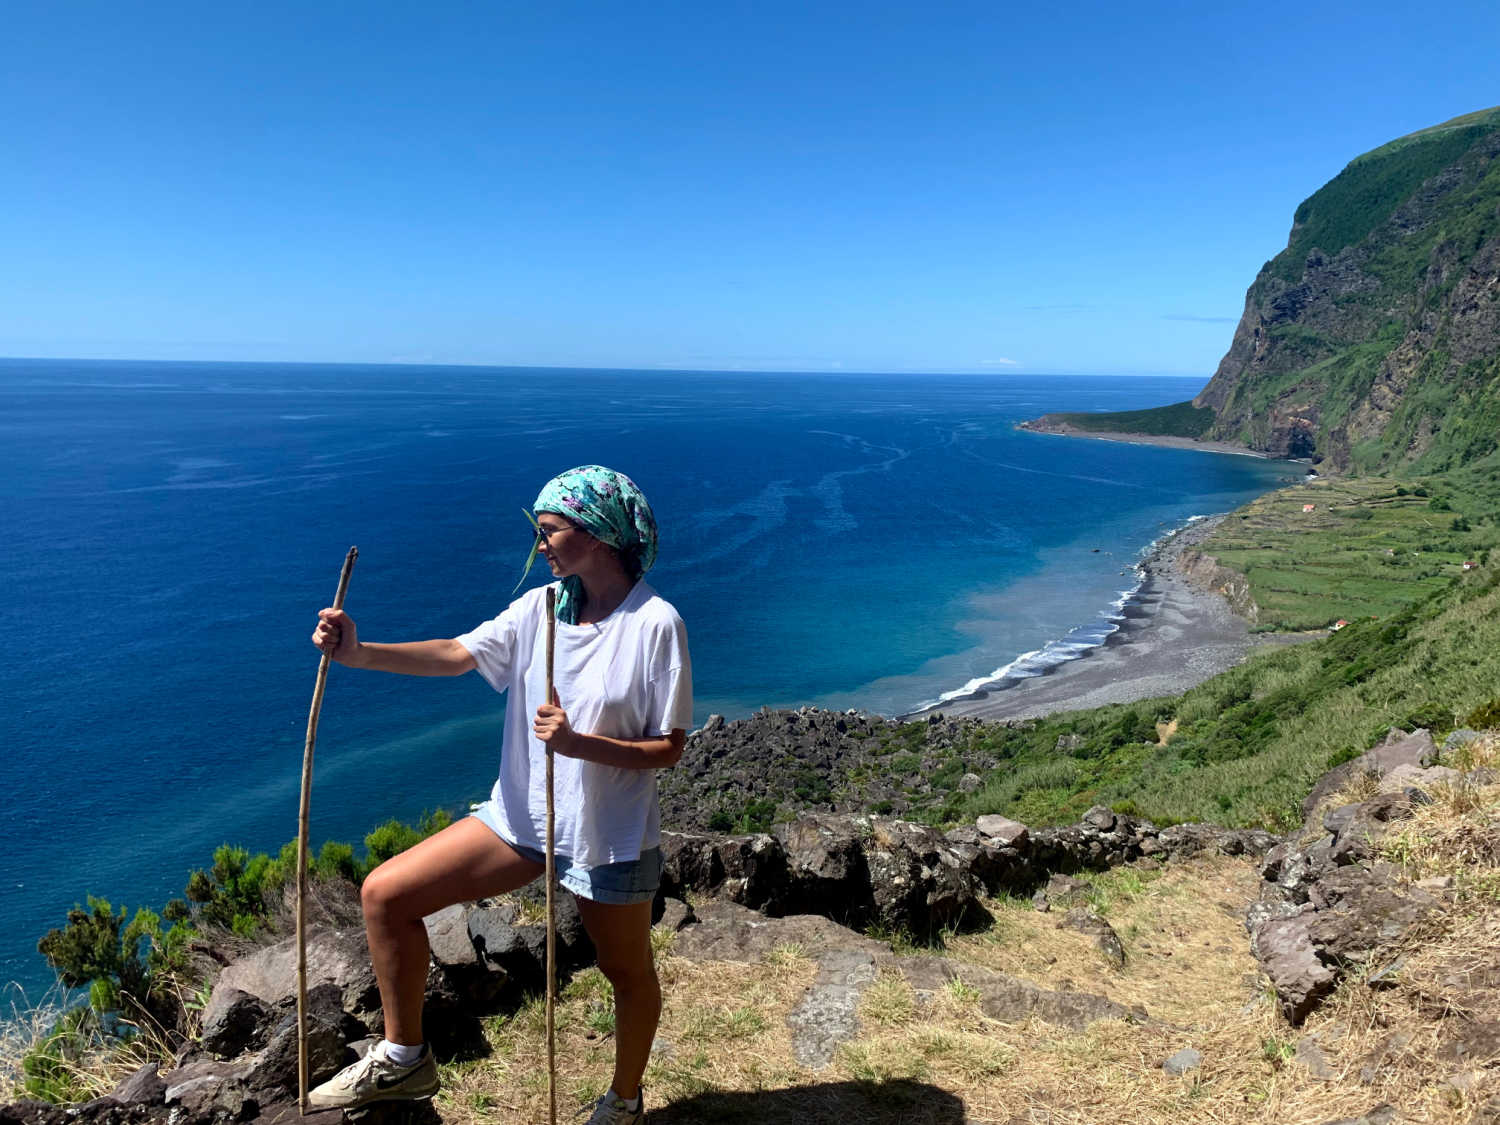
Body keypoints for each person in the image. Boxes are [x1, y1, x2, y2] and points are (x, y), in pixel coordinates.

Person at [306, 466, 691, 1125]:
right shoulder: (540, 609)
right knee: (384, 894)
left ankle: (624, 1099)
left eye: (549, 530)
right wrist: (359, 652)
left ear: (597, 534)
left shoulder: (655, 623)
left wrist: (580, 745)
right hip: (521, 818)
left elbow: (670, 745)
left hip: (607, 832)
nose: (540, 543)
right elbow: (458, 654)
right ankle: (404, 1056)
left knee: (625, 971)